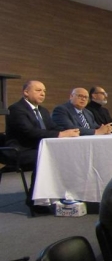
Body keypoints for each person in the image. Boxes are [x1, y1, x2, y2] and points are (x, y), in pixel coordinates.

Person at [4, 80, 79, 212]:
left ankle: (62, 195)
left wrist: (70, 132)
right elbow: (29, 132)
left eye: (44, 91)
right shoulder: (16, 109)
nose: (43, 94)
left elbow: (53, 127)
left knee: (63, 155)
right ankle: (35, 201)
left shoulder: (42, 110)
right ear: (26, 92)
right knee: (46, 158)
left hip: (38, 148)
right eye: (38, 90)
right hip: (20, 150)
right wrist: (60, 134)